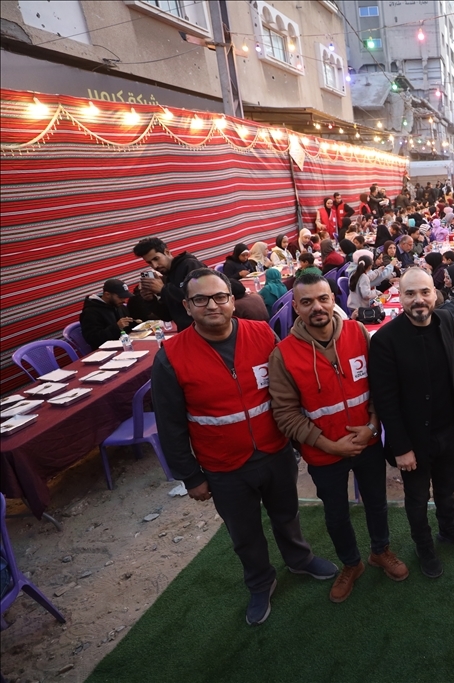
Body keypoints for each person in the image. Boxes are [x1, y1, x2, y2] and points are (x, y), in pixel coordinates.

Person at [151, 268, 336, 625]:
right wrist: (191, 477)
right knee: (244, 531)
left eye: (220, 297)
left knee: (287, 514)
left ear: (232, 301)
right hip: (223, 466)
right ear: (187, 307)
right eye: (201, 299)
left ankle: (299, 560)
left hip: (276, 451)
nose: (212, 305)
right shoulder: (171, 356)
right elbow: (170, 425)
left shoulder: (262, 333)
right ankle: (260, 581)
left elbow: (286, 390)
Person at [269, 274, 408, 603]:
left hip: (368, 442)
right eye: (307, 302)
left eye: (322, 299)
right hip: (323, 453)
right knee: (336, 514)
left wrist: (373, 426)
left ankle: (380, 551)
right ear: (296, 307)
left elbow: (379, 386)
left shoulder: (358, 333)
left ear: (334, 299)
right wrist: (330, 445)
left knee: (376, 502)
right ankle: (351, 563)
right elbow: (285, 414)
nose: (317, 307)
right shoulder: (283, 354)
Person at [368, 268, 454, 578]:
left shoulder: (444, 321)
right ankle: (424, 546)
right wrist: (401, 447)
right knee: (417, 499)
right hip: (414, 439)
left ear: (435, 294)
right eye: (410, 294)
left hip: (447, 429)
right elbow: (386, 400)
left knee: (447, 489)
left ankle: (449, 528)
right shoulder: (386, 340)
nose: (419, 300)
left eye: (424, 292)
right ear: (399, 298)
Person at [132, 236, 205, 330]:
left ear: (167, 252)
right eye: (149, 263)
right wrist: (150, 300)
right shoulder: (168, 276)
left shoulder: (190, 265)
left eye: (156, 259)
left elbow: (201, 297)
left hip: (204, 330)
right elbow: (167, 316)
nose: (155, 266)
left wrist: (163, 289)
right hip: (186, 332)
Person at [79, 278, 133, 351]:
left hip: (125, 345)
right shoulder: (90, 312)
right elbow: (93, 339)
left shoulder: (118, 305)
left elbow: (129, 327)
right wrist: (117, 327)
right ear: (107, 294)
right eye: (120, 297)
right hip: (105, 352)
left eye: (125, 297)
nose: (124, 301)